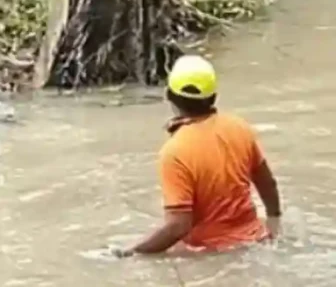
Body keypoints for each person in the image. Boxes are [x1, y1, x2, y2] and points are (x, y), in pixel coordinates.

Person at [113, 55, 282, 257]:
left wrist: (131, 252)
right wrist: (274, 222)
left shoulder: (174, 152)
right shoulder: (240, 128)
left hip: (209, 257)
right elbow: (267, 183)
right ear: (214, 97)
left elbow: (178, 225)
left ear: (169, 95)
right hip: (255, 243)